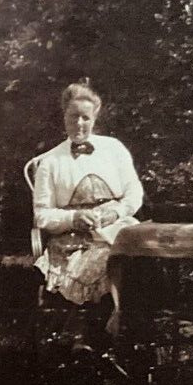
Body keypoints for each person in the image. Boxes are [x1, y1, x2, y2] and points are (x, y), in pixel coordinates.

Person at [30, 81, 144, 307]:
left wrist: (116, 213)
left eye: (86, 118)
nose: (79, 124)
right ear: (64, 116)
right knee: (105, 261)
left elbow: (134, 193)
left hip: (117, 227)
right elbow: (42, 216)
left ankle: (129, 322)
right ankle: (89, 329)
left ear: (95, 118)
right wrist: (73, 219)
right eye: (73, 116)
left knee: (139, 255)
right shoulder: (50, 162)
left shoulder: (114, 149)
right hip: (73, 239)